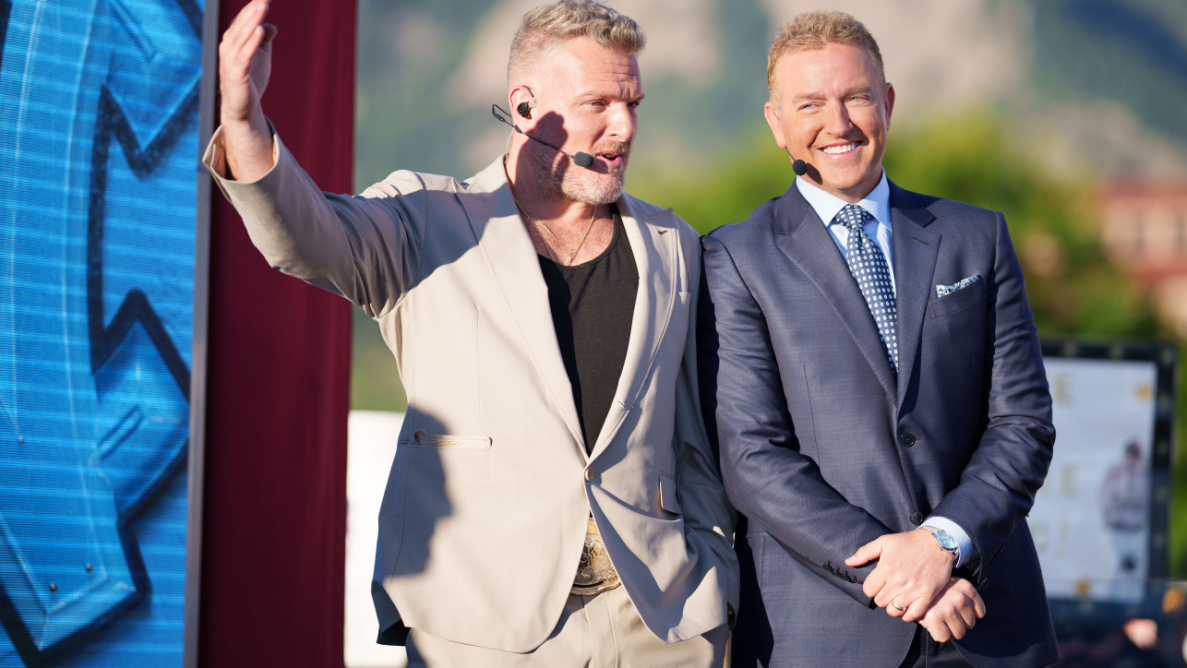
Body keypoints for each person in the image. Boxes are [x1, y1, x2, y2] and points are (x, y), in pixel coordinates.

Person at [205, 0, 737, 665]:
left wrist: (719, 590)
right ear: (524, 107)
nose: (624, 126)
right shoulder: (424, 219)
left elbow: (691, 441)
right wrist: (245, 122)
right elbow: (306, 238)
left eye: (633, 103)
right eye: (599, 103)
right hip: (479, 631)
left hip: (660, 629)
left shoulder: (672, 244)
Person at [697, 10, 1057, 667]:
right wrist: (897, 572)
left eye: (856, 96)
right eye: (809, 104)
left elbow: (1022, 422)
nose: (837, 123)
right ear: (777, 123)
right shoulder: (734, 258)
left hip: (987, 624)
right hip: (824, 632)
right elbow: (752, 456)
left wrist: (943, 544)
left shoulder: (977, 238)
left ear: (887, 102)